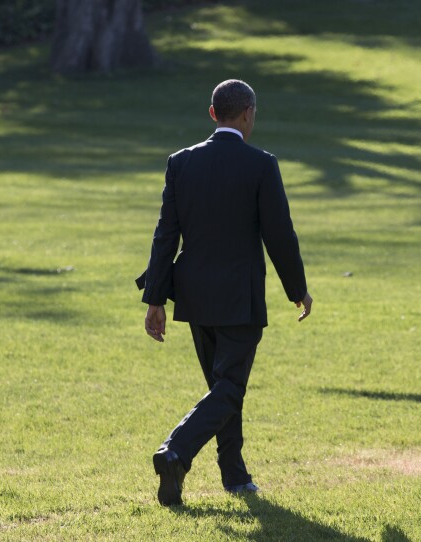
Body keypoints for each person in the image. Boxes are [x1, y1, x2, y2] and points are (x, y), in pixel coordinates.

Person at [137, 79, 312, 506]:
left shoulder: (180, 163)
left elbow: (166, 236)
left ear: (213, 114)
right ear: (249, 113)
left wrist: (156, 299)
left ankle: (234, 476)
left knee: (221, 388)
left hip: (195, 298)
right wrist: (298, 289)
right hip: (240, 298)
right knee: (229, 388)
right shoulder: (261, 164)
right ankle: (175, 451)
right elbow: (279, 235)